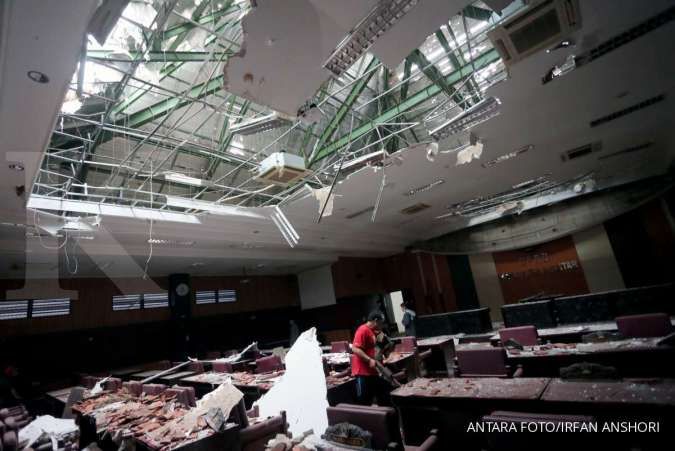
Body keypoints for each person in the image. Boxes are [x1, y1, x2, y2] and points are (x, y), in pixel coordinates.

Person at [351, 311, 392, 406]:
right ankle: (365, 419)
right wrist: (369, 360)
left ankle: (383, 417)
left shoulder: (372, 331)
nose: (382, 325)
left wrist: (385, 341)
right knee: (364, 401)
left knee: (382, 395)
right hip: (362, 373)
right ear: (376, 321)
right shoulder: (362, 330)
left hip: (372, 371)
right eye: (382, 323)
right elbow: (355, 349)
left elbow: (379, 345)